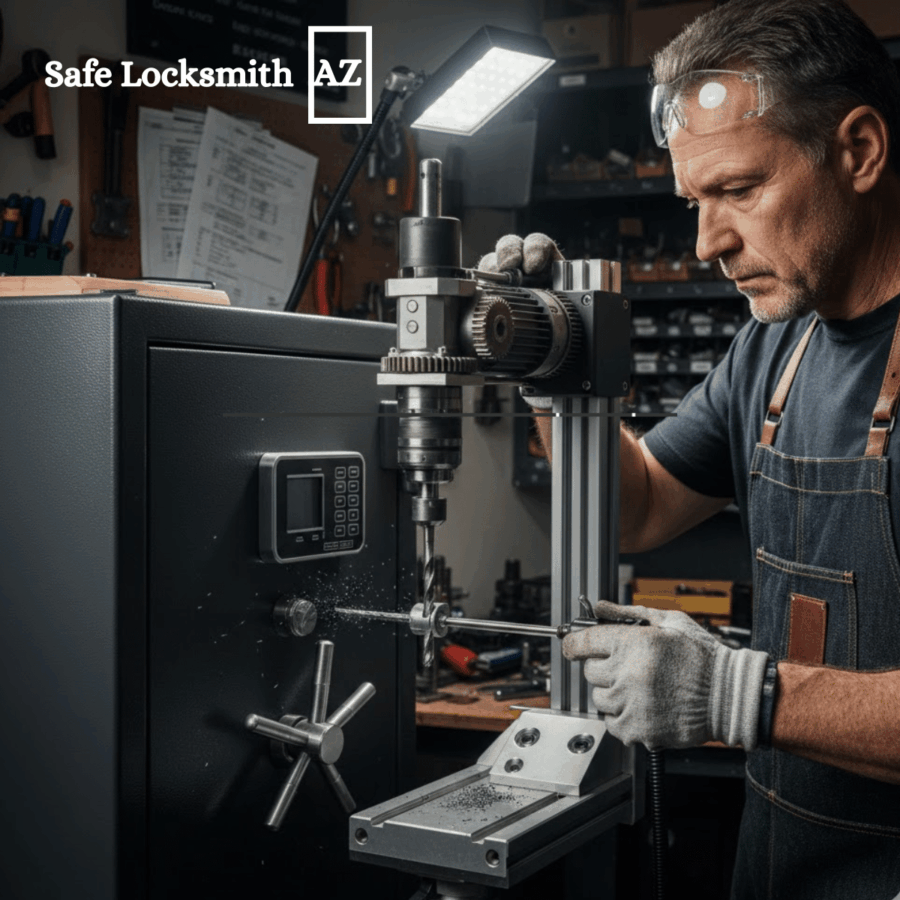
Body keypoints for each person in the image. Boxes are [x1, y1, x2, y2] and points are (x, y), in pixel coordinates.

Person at [480, 1, 900, 896]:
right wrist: (555, 369)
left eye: (741, 190)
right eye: (694, 201)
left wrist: (741, 695)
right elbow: (634, 509)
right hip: (783, 858)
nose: (707, 241)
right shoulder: (774, 348)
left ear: (859, 152)